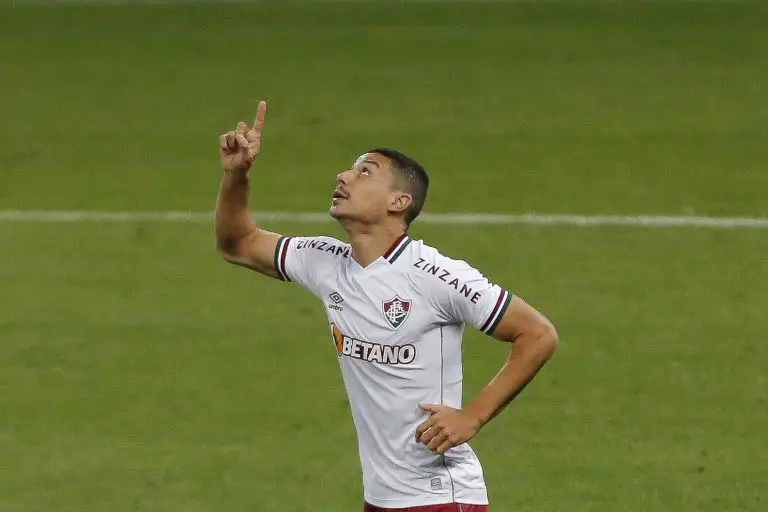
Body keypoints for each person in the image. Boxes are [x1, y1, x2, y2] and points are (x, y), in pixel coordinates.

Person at [215, 101, 559, 512]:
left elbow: (538, 333)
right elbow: (237, 243)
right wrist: (237, 176)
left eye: (364, 172)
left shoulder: (435, 274)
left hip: (442, 499)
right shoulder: (325, 261)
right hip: (381, 500)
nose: (343, 176)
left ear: (399, 201)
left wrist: (473, 417)